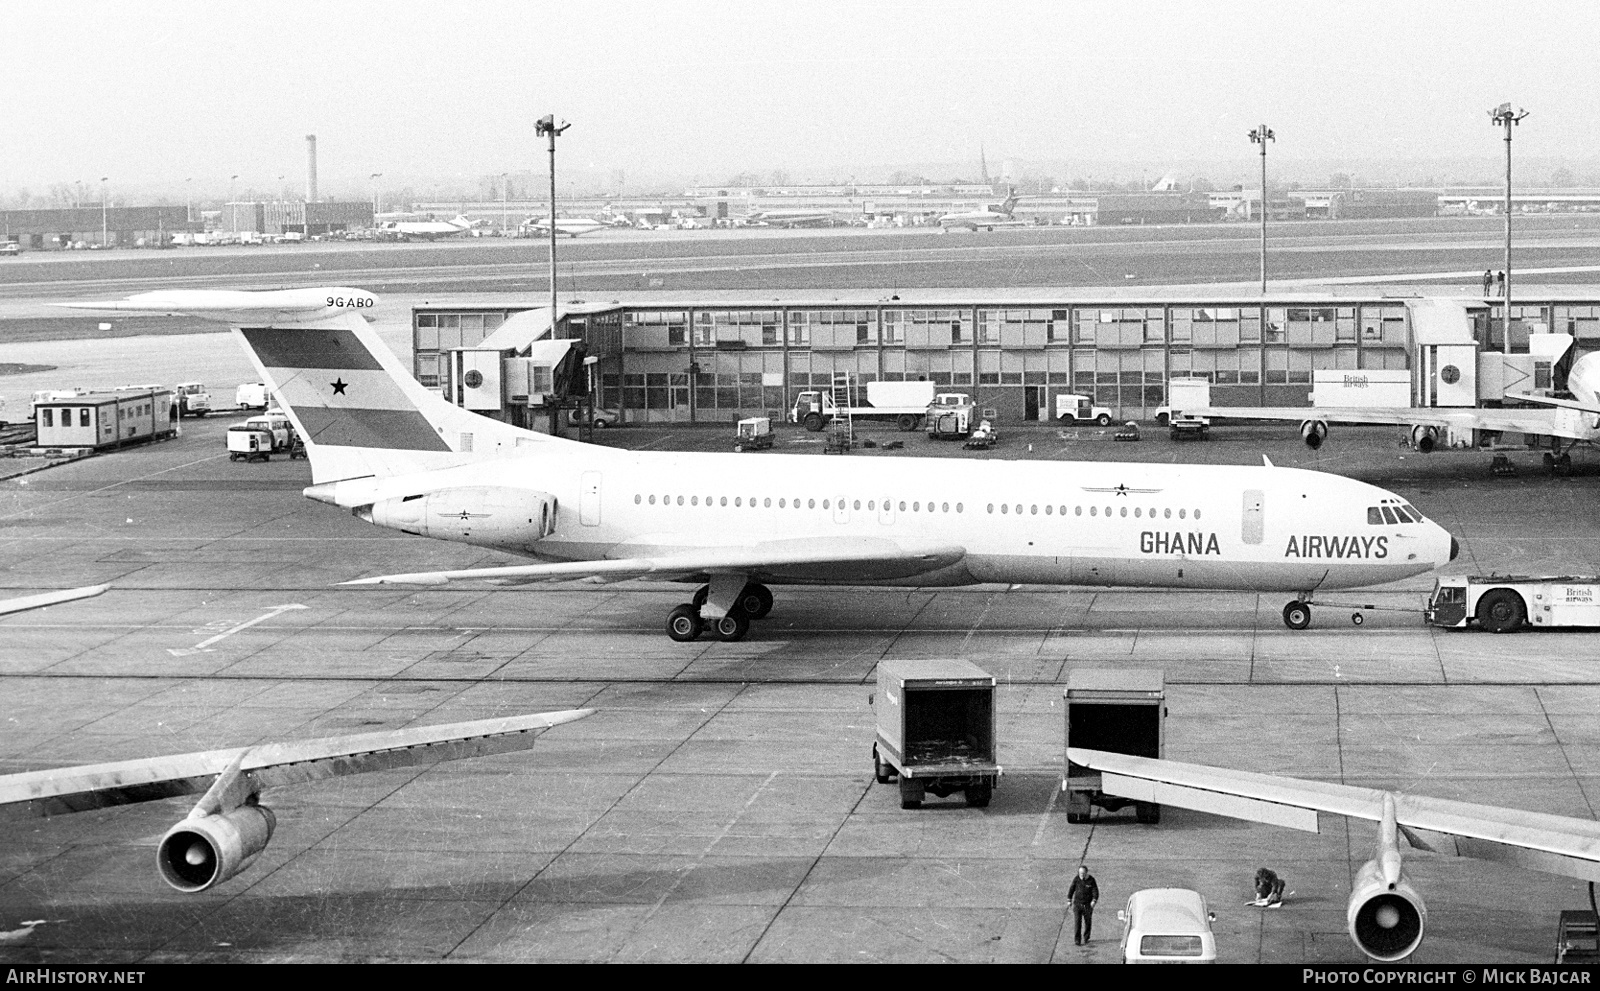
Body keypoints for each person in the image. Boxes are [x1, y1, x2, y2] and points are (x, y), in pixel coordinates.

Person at [1068, 864, 1099, 945]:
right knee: (1077, 922)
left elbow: (1095, 892)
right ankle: (1077, 940)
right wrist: (1069, 899)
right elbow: (1071, 889)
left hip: (1087, 905)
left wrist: (1094, 901)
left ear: (1086, 873)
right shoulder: (1076, 879)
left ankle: (1086, 937)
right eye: (1080, 873)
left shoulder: (1091, 880)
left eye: (1083, 873)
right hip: (1077, 904)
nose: (1081, 875)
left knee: (1088, 922)